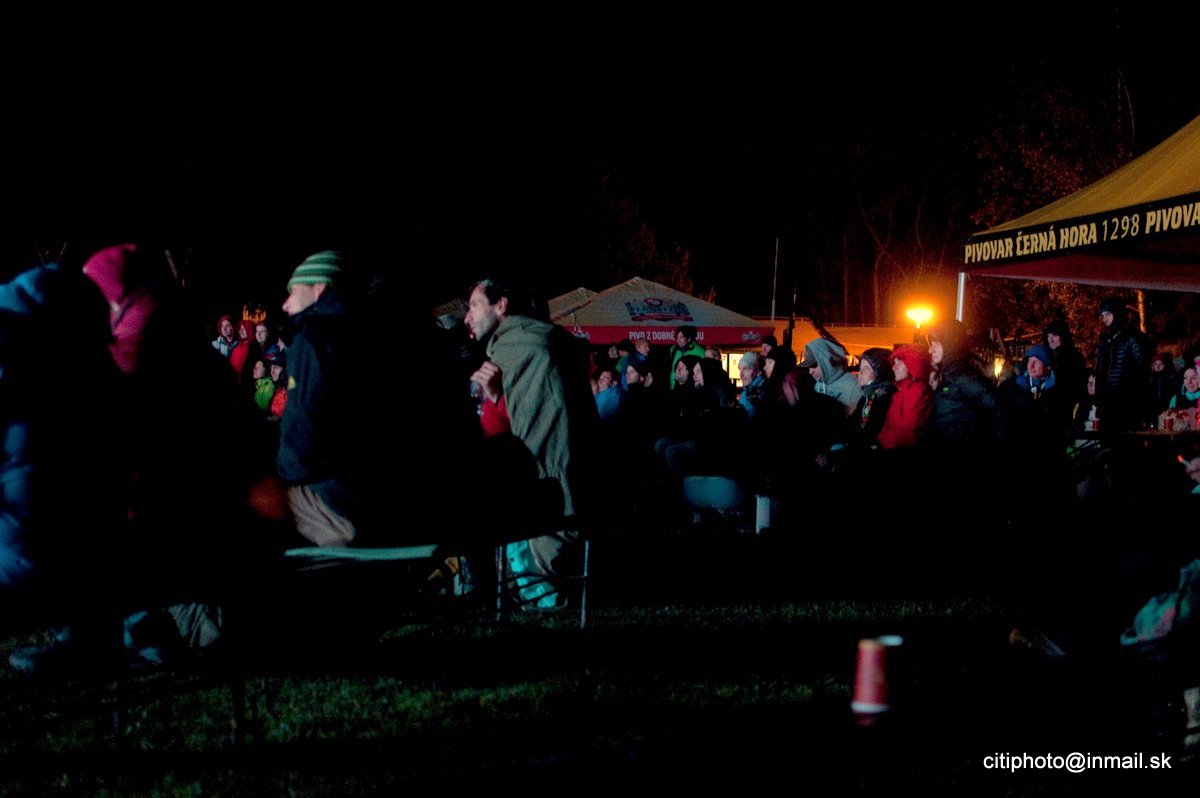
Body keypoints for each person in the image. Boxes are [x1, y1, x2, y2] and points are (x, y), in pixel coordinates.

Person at [465, 276, 598, 607]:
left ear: (501, 306)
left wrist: (493, 399)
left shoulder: (520, 347)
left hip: (545, 490)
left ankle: (530, 586)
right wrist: (497, 397)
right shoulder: (545, 341)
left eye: (475, 305)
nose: (468, 317)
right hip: (573, 481)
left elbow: (530, 433)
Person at [276, 251, 366, 547]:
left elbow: (301, 440)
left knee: (251, 507)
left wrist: (279, 475)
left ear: (319, 288)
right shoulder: (370, 331)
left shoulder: (314, 339)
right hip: (391, 494)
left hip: (342, 504)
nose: (286, 304)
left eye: (293, 292)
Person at [1096, 296, 1150, 431]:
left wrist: (1138, 403)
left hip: (1127, 402)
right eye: (1102, 315)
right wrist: (1099, 400)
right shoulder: (1104, 339)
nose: (1104, 318)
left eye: (1108, 314)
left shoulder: (1133, 336)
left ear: (1117, 313)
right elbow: (1100, 371)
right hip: (1108, 402)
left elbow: (1142, 371)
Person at [798, 337, 861, 417]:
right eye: (808, 367)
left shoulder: (855, 387)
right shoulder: (817, 386)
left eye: (814, 365)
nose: (810, 371)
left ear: (826, 361)